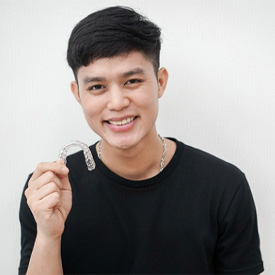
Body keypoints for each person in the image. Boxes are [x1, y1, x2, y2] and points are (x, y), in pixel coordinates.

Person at [19, 6, 264, 274]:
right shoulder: (47, 192)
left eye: (132, 81)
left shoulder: (224, 187)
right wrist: (48, 235)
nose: (117, 102)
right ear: (78, 94)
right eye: (97, 87)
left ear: (160, 82)